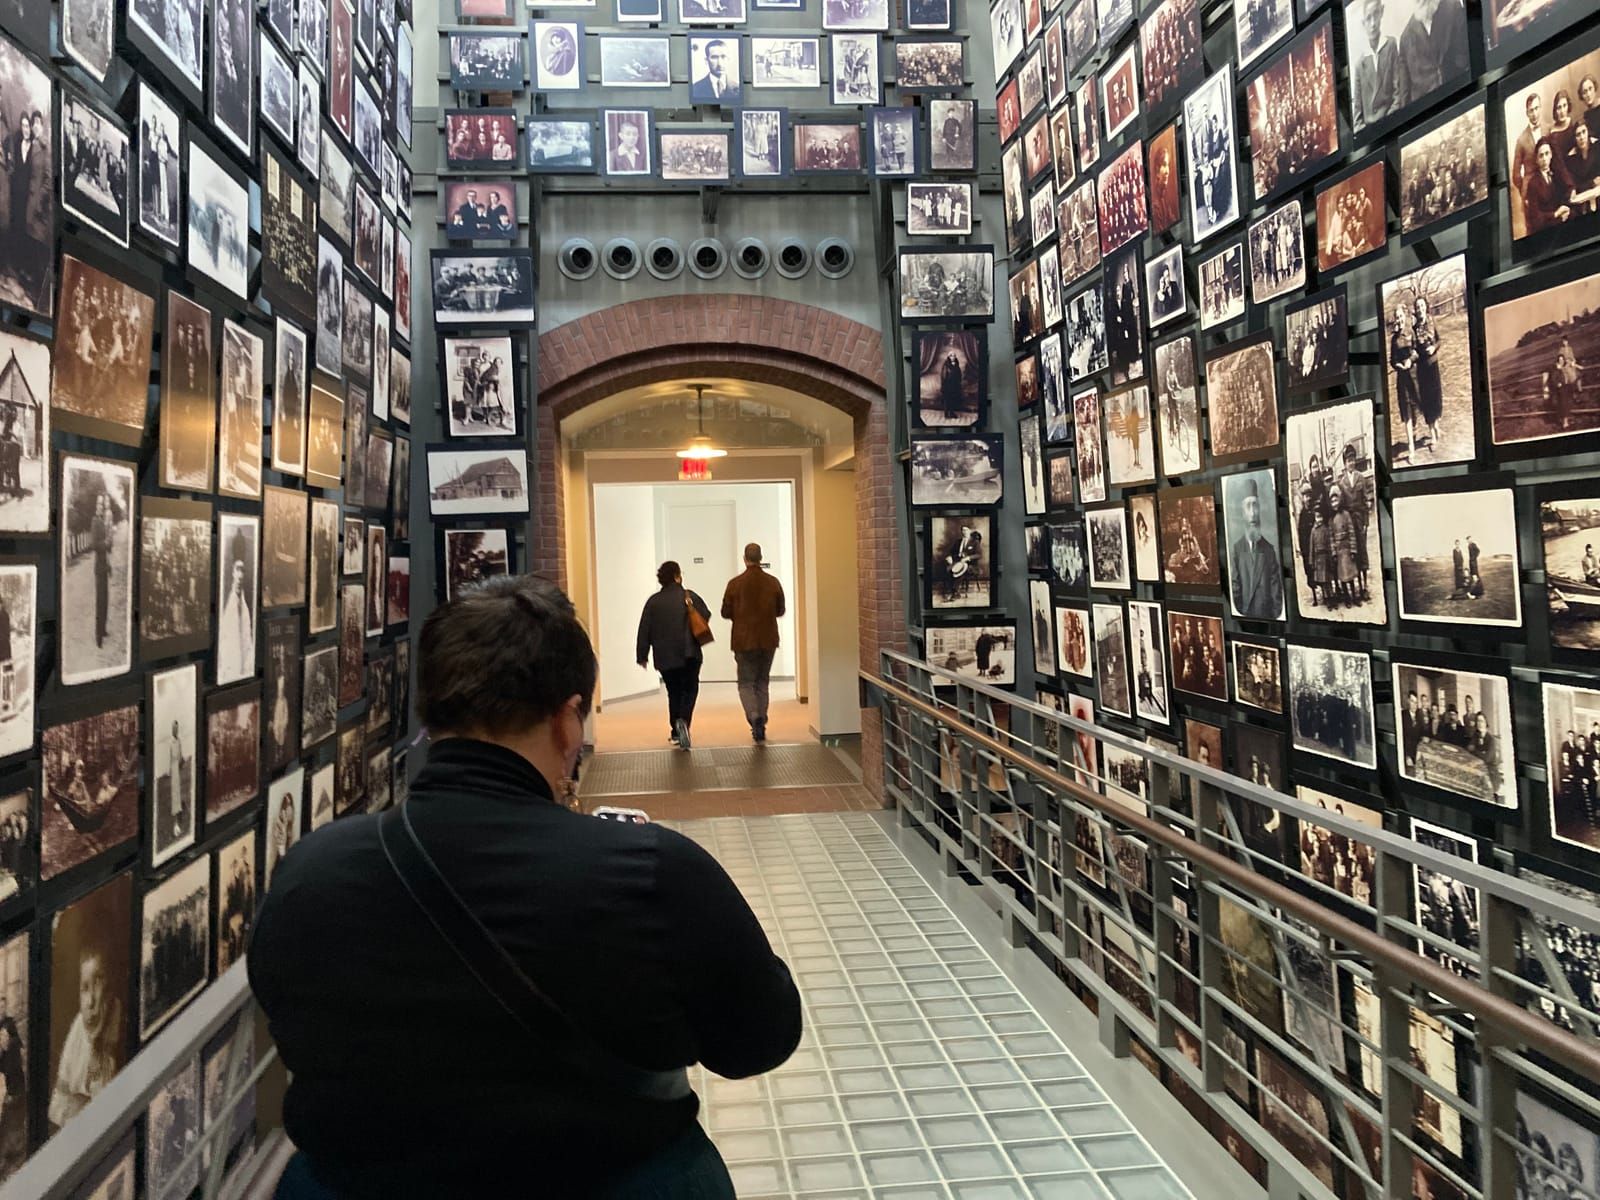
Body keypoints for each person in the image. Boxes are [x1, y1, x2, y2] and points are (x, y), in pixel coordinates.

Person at [251, 575, 801, 1199]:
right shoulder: (650, 870)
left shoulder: (310, 870)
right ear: (567, 721)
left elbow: (289, 1024)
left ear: (430, 709)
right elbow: (760, 1039)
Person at [637, 561, 711, 751]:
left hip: (665, 657)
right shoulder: (689, 596)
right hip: (690, 653)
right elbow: (706, 614)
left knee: (674, 692)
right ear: (677, 576)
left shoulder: (653, 602)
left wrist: (642, 655)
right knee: (690, 689)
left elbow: (644, 630)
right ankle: (683, 722)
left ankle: (676, 731)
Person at [49, 948, 122, 1131]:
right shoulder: (79, 1027)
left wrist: (82, 1104)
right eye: (84, 988)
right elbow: (59, 1104)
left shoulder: (117, 1025)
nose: (90, 1001)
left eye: (99, 984)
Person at [721, 544, 786, 744]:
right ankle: (762, 722)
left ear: (744, 559)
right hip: (768, 639)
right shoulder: (773, 582)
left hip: (743, 641)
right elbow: (780, 610)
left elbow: (725, 612)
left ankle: (754, 717)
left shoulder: (734, 584)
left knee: (746, 683)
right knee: (762, 682)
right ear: (760, 558)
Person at [1229, 478, 1284, 619]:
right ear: (1242, 512)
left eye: (1255, 506)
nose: (1252, 513)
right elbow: (1235, 592)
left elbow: (1277, 598)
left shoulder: (1269, 551)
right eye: (1248, 506)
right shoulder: (1236, 550)